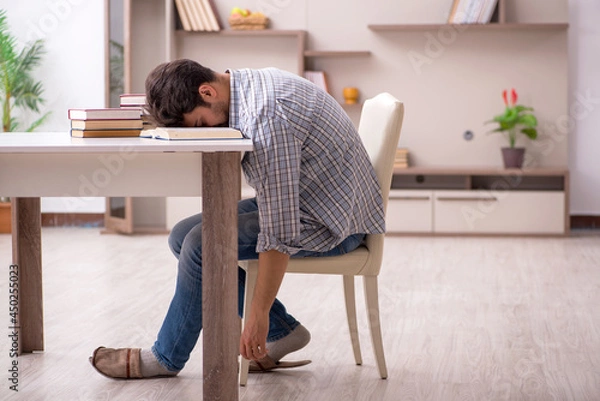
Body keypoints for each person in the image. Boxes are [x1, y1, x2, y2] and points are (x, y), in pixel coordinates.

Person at [90, 59, 385, 379]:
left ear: (207, 91)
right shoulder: (246, 86)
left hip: (333, 224)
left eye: (201, 125)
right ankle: (284, 332)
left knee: (201, 244)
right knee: (181, 235)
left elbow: (280, 230)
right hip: (318, 202)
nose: (206, 132)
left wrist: (256, 317)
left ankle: (166, 357)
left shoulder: (267, 116)